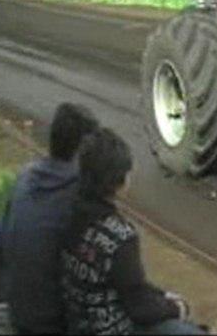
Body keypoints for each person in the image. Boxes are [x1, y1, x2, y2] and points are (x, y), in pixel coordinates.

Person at [61, 128, 205, 335]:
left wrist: (160, 295)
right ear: (119, 182)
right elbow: (140, 308)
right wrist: (177, 308)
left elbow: (131, 285)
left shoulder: (69, 211)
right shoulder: (120, 237)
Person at [0, 103, 100, 334]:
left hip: (18, 311)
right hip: (54, 322)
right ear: (84, 147)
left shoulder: (25, 177)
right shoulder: (78, 196)